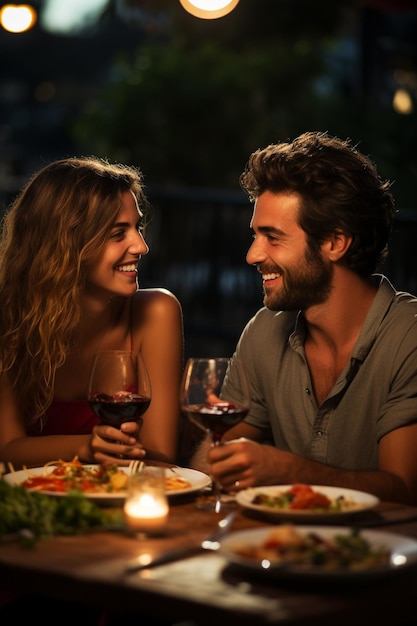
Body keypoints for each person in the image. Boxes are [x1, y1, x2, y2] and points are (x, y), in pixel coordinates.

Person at [191, 130, 417, 506]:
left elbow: (406, 493)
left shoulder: (408, 338)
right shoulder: (264, 331)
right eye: (255, 235)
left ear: (335, 242)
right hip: (277, 550)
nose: (252, 255)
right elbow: (213, 455)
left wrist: (292, 473)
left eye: (273, 237)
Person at [0, 156, 183, 470]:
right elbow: (6, 447)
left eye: (137, 227)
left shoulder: (156, 312)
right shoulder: (10, 318)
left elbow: (159, 457)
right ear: (66, 244)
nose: (141, 246)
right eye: (117, 234)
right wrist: (85, 447)